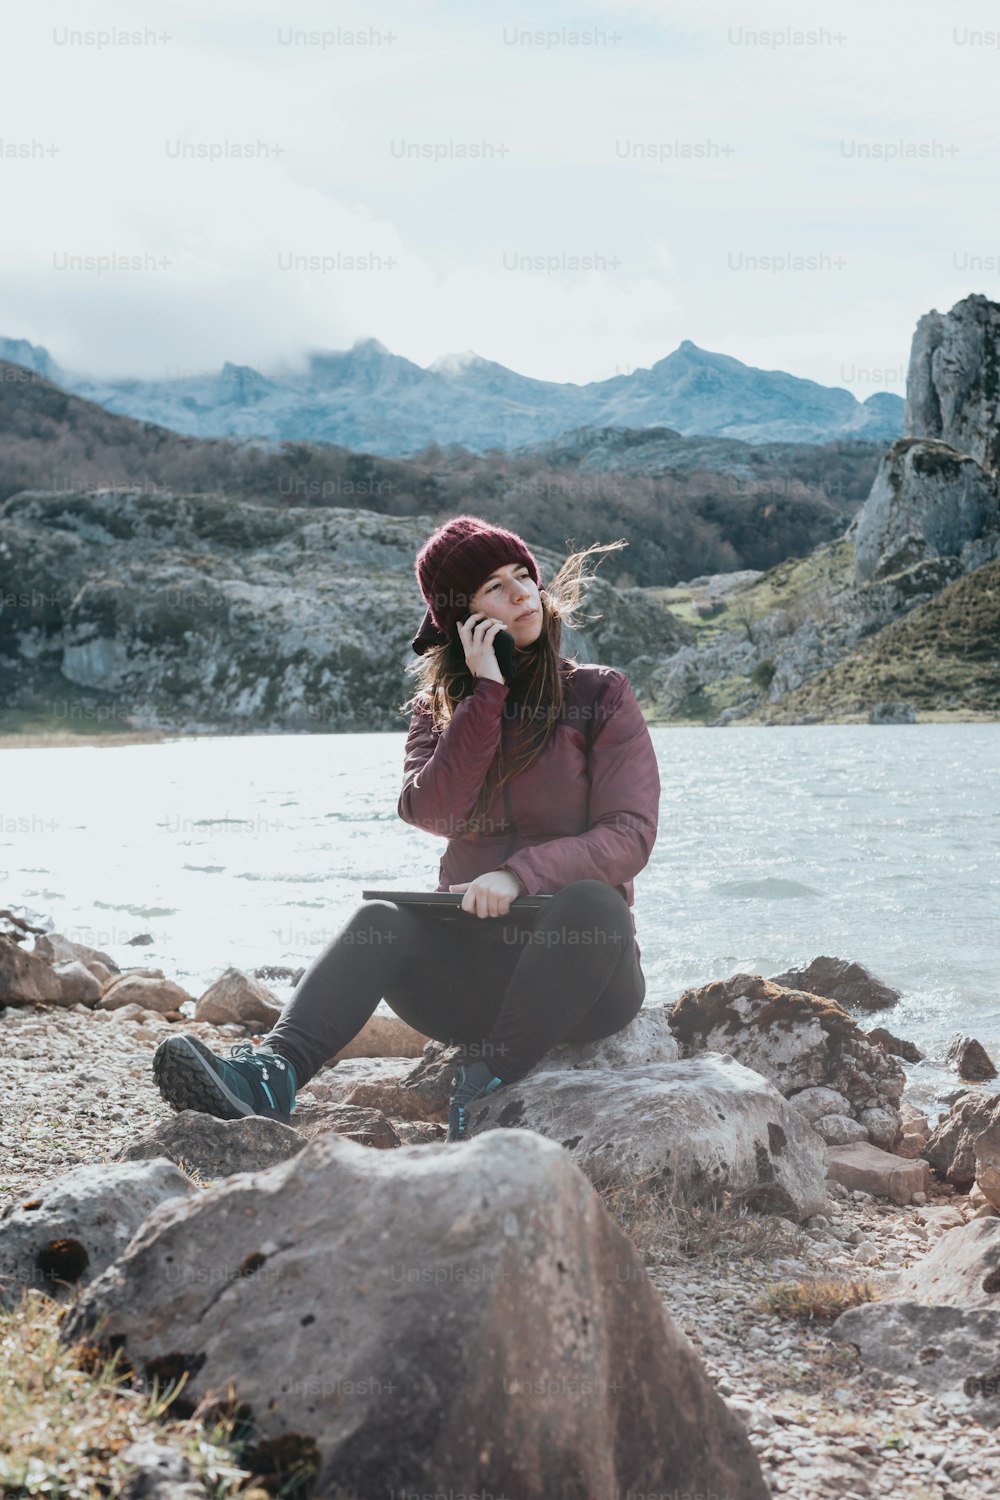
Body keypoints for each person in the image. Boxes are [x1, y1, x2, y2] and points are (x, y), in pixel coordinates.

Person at [153, 515, 661, 1142]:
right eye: (495, 588)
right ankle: (272, 1075)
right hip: (471, 980)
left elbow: (630, 834)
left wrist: (517, 875)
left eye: (524, 576)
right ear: (462, 621)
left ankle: (490, 1079)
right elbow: (433, 812)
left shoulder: (600, 694)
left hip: (580, 981)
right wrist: (486, 697)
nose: (524, 593)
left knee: (593, 902)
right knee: (381, 920)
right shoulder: (440, 711)